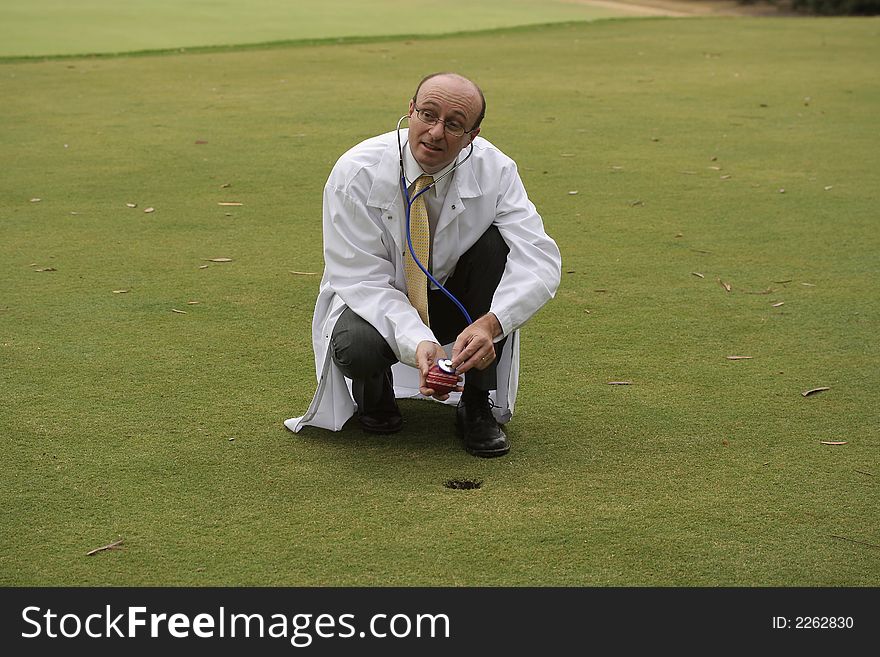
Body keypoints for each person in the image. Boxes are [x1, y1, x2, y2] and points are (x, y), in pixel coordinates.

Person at [285, 72, 561, 457]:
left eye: (453, 124)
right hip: (375, 305)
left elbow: (540, 258)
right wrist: (419, 341)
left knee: (498, 246)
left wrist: (491, 324)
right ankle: (374, 394)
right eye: (427, 115)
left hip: (455, 301)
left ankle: (477, 404)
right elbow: (360, 280)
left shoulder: (497, 170)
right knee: (357, 345)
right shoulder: (355, 173)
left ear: (473, 135)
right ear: (410, 111)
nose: (435, 132)